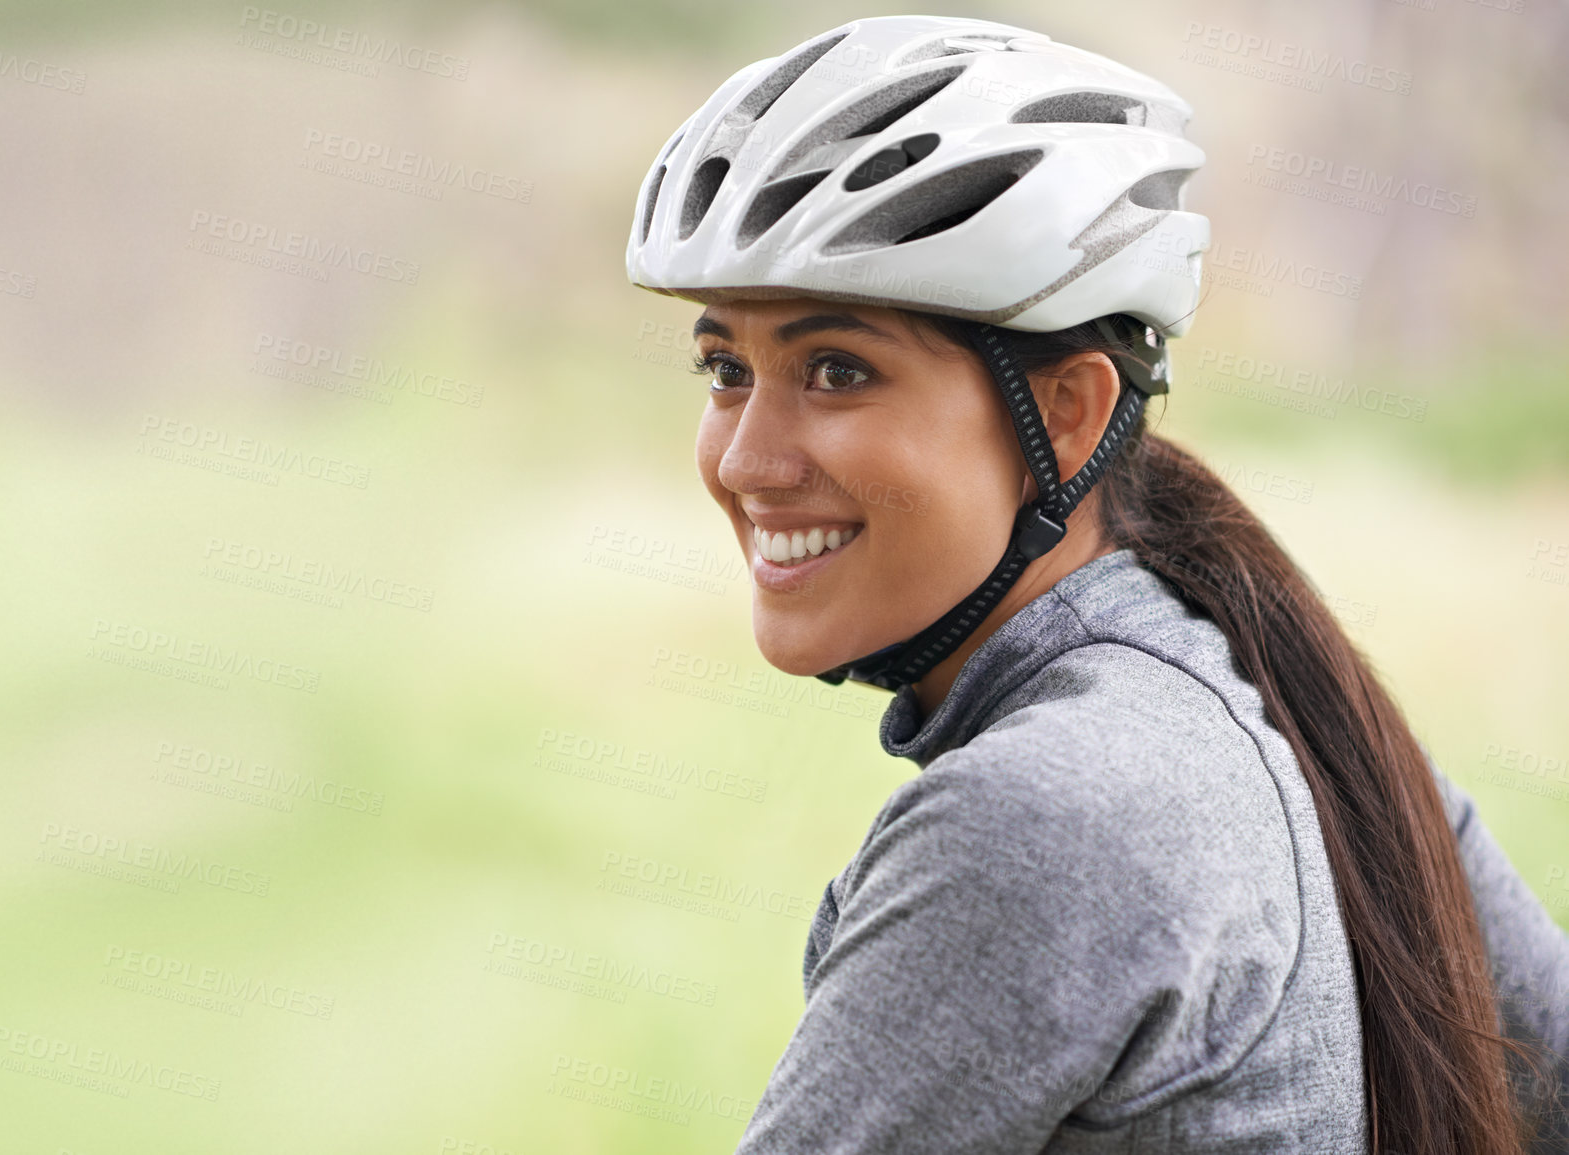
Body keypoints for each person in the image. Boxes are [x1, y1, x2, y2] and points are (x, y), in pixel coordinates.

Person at [623, 15, 1569, 1154]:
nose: (744, 460)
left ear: (1064, 415)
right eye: (727, 370)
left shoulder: (1037, 821)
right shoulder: (1274, 694)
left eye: (837, 371)